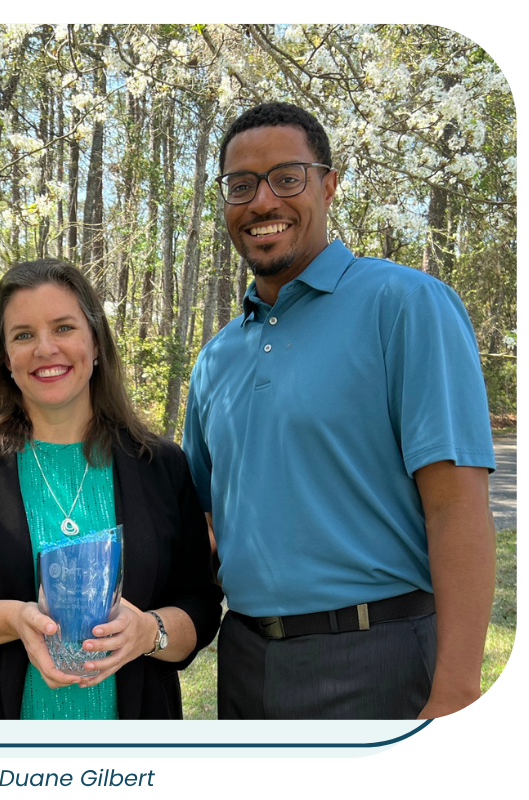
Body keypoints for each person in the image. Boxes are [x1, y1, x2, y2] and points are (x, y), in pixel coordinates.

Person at [182, 102, 496, 720]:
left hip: (378, 657)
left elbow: (456, 506)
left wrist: (457, 692)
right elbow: (206, 520)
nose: (262, 201)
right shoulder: (215, 358)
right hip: (245, 663)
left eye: (287, 178)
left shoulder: (405, 305)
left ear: (328, 186)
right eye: (240, 186)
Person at [0, 259, 222, 720]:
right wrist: (12, 620)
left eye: (63, 328)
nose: (46, 349)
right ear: (5, 358)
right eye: (23, 335)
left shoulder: (160, 465)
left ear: (95, 342)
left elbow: (199, 605)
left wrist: (148, 631)